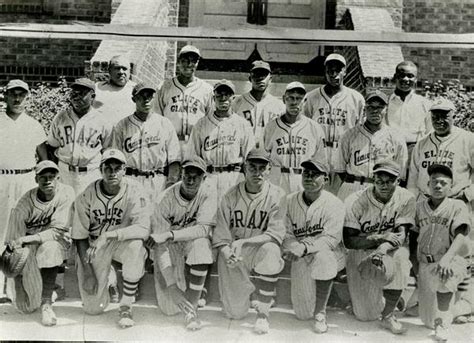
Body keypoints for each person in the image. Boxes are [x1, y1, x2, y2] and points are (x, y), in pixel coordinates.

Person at [72, 149, 149, 328]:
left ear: (125, 170)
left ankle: (126, 306)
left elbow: (143, 229)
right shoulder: (87, 194)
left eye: (117, 168)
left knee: (136, 248)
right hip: (94, 246)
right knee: (93, 309)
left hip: (121, 242)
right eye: (108, 168)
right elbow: (79, 236)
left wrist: (108, 235)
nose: (112, 172)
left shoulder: (135, 189)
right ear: (101, 170)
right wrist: (89, 272)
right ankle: (109, 281)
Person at [212, 148, 286, 334]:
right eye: (252, 167)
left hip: (259, 249)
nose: (257, 173)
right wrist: (227, 253)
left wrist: (244, 243)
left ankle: (263, 313)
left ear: (269, 170)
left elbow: (275, 235)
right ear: (245, 168)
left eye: (262, 168)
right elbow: (221, 236)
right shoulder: (229, 196)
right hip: (234, 252)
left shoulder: (278, 195)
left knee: (272, 251)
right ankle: (249, 292)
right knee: (234, 313)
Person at [343, 160, 415, 334]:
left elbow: (401, 236)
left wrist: (382, 249)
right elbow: (349, 241)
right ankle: (384, 299)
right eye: (379, 180)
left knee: (401, 258)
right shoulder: (355, 200)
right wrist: (379, 238)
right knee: (365, 315)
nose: (384, 185)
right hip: (361, 250)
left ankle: (389, 313)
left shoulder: (406, 197)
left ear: (398, 181)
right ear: (372, 179)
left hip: (390, 249)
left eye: (389, 180)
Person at [147, 157, 216, 331]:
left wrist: (171, 234)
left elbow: (203, 230)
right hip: (168, 248)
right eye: (187, 175)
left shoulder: (208, 194)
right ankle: (181, 280)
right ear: (181, 174)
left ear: (204, 178)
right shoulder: (164, 199)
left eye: (196, 176)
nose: (191, 180)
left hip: (188, 241)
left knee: (202, 246)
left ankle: (191, 310)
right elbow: (159, 244)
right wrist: (171, 285)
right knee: (169, 309)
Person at [4, 161, 74, 326]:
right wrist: (19, 284)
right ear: (36, 179)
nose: (48, 181)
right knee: (26, 307)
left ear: (58, 178)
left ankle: (47, 302)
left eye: (52, 177)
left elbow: (57, 232)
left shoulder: (66, 193)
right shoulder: (22, 205)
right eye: (43, 177)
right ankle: (50, 290)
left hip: (56, 243)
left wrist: (25, 239)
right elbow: (14, 248)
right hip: (29, 249)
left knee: (50, 248)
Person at [282, 157, 346, 334]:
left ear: (325, 179)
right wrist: (296, 246)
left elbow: (331, 239)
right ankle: (324, 297)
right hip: (299, 254)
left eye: (315, 174)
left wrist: (305, 247)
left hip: (328, 254)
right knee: (302, 314)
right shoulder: (288, 201)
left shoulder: (335, 203)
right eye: (306, 173)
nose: (309, 178)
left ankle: (321, 312)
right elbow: (284, 233)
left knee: (323, 257)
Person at [410, 164, 471, 341]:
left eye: (443, 183)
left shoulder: (457, 205)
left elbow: (461, 235)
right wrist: (414, 262)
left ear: (450, 186)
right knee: (427, 319)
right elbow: (413, 236)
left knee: (446, 275)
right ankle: (464, 307)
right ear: (428, 185)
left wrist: (447, 259)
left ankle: (442, 324)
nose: (438, 186)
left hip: (450, 259)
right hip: (426, 263)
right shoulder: (419, 207)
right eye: (434, 182)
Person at [0, 79, 46, 301]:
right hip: (2, 179)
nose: (17, 99)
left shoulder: (34, 125)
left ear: (28, 98)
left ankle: (19, 288)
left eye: (22, 95)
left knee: (23, 233)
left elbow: (45, 158)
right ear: (6, 96)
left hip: (26, 179)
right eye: (13, 94)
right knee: (0, 231)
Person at [303, 53, 365, 193]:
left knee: (339, 198)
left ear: (345, 71)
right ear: (325, 71)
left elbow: (360, 132)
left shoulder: (356, 99)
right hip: (319, 152)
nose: (334, 73)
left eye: (338, 70)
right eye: (330, 70)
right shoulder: (312, 97)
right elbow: (304, 127)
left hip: (343, 153)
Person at [41, 78, 112, 195]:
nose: (76, 97)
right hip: (65, 173)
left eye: (82, 94)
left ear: (92, 96)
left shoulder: (102, 120)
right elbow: (52, 145)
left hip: (91, 174)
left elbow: (107, 149)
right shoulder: (61, 118)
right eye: (74, 93)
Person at [185, 79, 254, 200]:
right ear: (213, 98)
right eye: (219, 95)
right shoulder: (201, 124)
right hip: (208, 177)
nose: (223, 98)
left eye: (227, 95)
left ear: (233, 98)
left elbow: (250, 158)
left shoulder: (243, 124)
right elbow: (192, 156)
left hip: (234, 177)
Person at [335, 90, 408, 200]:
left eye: (379, 107)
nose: (375, 111)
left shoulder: (397, 137)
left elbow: (401, 174)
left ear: (386, 109)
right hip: (353, 186)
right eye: (371, 107)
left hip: (383, 189)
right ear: (364, 109)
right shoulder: (349, 135)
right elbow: (340, 169)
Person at [112, 82, 181, 198]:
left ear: (154, 97)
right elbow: (115, 160)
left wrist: (170, 184)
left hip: (158, 181)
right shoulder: (122, 125)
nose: (146, 100)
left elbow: (174, 160)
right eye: (141, 96)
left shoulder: (165, 124)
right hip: (131, 180)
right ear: (134, 99)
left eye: (149, 96)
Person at [263, 81, 326, 194]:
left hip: (303, 179)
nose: (294, 102)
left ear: (305, 101)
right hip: (277, 179)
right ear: (283, 99)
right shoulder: (271, 126)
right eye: (290, 98)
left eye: (299, 98)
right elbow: (263, 156)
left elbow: (320, 161)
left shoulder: (315, 128)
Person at [408, 98, 473, 206]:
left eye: (444, 116)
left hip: (457, 201)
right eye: (435, 117)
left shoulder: (469, 140)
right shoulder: (422, 143)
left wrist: (467, 195)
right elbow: (413, 179)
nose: (439, 121)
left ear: (454, 117)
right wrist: (412, 204)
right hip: (425, 202)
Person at [154, 45, 213, 147]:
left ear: (197, 63)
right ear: (179, 62)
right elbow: (156, 118)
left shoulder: (207, 89)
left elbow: (211, 119)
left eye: (193, 61)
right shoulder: (164, 87)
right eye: (185, 60)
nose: (189, 64)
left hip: (197, 143)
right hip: (170, 142)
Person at [232, 60, 285, 147]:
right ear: (250, 79)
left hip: (268, 155)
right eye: (256, 74)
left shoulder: (279, 106)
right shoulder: (237, 103)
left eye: (263, 74)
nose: (260, 78)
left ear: (270, 79)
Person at [385, 61, 432, 158]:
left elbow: (430, 132)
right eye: (401, 75)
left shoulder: (425, 104)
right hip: (390, 151)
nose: (405, 79)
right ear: (395, 77)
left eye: (410, 76)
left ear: (415, 79)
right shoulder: (386, 103)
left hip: (416, 152)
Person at [94, 55, 137, 126]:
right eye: (117, 68)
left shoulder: (136, 90)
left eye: (124, 68)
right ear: (109, 71)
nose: (121, 72)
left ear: (130, 71)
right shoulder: (97, 88)